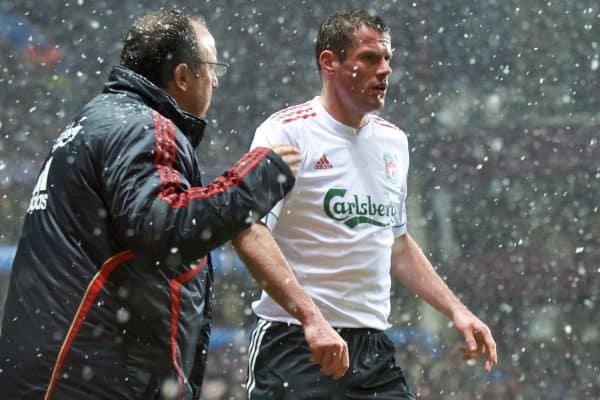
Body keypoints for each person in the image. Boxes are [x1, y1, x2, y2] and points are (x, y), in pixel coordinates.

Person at [0, 9, 309, 400]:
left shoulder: (95, 121)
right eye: (212, 67)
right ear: (182, 76)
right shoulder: (145, 127)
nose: (215, 79)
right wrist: (259, 177)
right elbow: (164, 226)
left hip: (55, 369)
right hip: (92, 377)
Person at [233, 9, 498, 400]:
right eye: (370, 58)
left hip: (372, 350)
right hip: (294, 344)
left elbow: (397, 242)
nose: (385, 70)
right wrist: (311, 319)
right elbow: (249, 228)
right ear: (330, 63)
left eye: (388, 58)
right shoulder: (285, 131)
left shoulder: (394, 141)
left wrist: (456, 309)